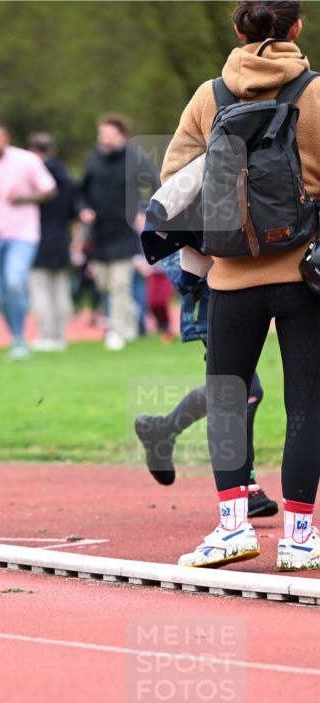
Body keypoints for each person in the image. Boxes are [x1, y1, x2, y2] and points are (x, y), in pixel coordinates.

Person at [160, 0, 320, 571]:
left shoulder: (210, 96)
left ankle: (232, 528)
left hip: (230, 276)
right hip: (307, 276)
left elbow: (175, 184)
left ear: (237, 30)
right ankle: (301, 536)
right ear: (296, 28)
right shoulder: (316, 92)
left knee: (228, 400)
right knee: (307, 402)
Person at [135, 250, 278, 518]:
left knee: (233, 390)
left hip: (240, 289)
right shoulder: (193, 210)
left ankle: (161, 431)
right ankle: (244, 485)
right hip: (216, 295)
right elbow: (172, 249)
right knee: (244, 391)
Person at [0, 121, 56, 360]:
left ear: (6, 137)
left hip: (23, 233)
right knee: (1, 292)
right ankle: (15, 337)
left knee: (15, 281)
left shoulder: (27, 160)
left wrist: (25, 198)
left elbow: (49, 189)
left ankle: (19, 339)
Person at [80, 114, 159, 351]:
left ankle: (116, 332)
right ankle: (132, 313)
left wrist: (144, 210)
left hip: (125, 230)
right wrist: (84, 209)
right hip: (100, 232)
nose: (104, 138)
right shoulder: (93, 159)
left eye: (109, 134)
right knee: (104, 284)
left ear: (121, 136)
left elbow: (156, 183)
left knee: (118, 284)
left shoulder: (135, 157)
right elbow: (82, 191)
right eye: (101, 134)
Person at [27, 132, 78, 351]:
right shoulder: (67, 177)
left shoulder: (32, 176)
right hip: (61, 236)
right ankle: (60, 335)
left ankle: (47, 335)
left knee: (40, 288)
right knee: (60, 287)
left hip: (36, 235)